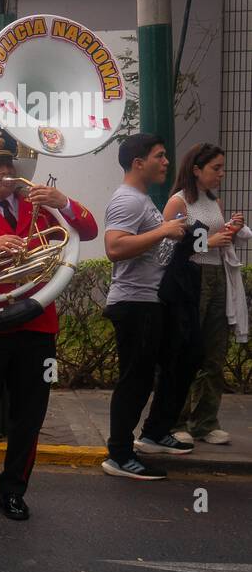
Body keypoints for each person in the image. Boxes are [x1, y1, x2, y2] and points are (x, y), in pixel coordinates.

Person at [0, 130, 99, 518]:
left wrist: (65, 202)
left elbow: (89, 230)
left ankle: (13, 489)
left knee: (30, 412)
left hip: (38, 323)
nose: (5, 171)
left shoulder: (41, 207)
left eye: (8, 163)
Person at [101, 134, 195, 479]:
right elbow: (115, 247)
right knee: (134, 381)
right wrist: (164, 230)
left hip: (150, 302)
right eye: (160, 156)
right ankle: (119, 455)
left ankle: (153, 434)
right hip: (134, 303)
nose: (167, 162)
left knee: (171, 365)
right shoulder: (128, 200)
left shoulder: (142, 199)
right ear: (138, 163)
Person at [166, 143, 249, 447]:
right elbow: (169, 249)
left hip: (217, 277)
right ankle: (174, 420)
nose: (221, 174)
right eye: (216, 168)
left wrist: (230, 229)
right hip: (191, 277)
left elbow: (212, 238)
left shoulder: (214, 201)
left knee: (215, 351)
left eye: (222, 168)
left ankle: (205, 421)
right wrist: (211, 242)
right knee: (186, 351)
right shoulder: (178, 203)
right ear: (196, 170)